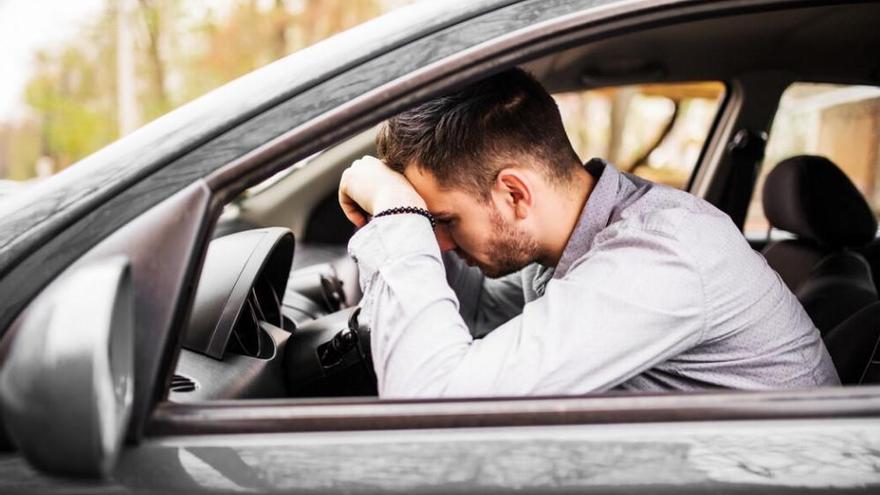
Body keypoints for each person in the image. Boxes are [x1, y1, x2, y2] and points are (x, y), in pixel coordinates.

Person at [337, 68, 839, 398]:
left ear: (514, 195)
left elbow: (428, 409)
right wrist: (406, 217)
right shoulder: (575, 237)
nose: (439, 243)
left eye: (443, 221)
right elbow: (473, 311)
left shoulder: (661, 255)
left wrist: (397, 218)